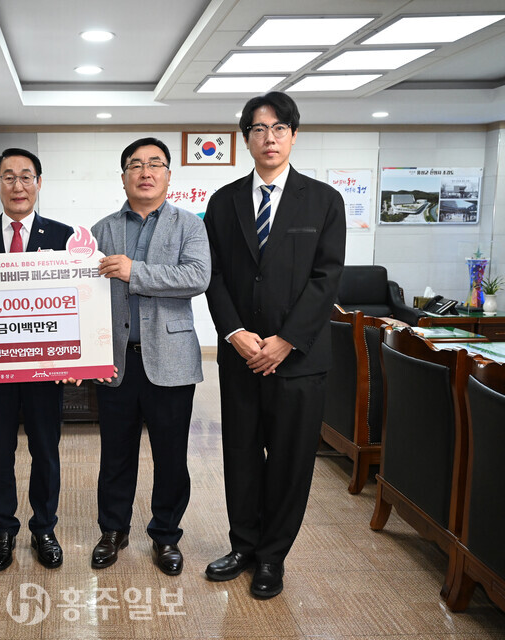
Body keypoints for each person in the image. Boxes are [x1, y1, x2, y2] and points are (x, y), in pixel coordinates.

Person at [203, 92, 346, 598]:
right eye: (259, 129)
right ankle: (243, 545)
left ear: (293, 136)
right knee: (241, 455)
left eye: (279, 128)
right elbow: (213, 275)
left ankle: (272, 557)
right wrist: (234, 332)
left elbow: (326, 278)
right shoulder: (223, 202)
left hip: (299, 361)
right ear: (246, 138)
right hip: (241, 356)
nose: (270, 138)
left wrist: (286, 340)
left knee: (289, 461)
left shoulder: (324, 200)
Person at [89, 137, 211, 576]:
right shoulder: (101, 230)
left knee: (171, 456)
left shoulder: (189, 225)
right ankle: (113, 530)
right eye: (136, 165)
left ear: (168, 176)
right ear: (123, 176)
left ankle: (166, 535)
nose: (145, 172)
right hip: (116, 360)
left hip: (172, 359)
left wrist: (133, 271)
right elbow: (82, 289)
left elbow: (197, 277)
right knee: (115, 454)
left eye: (155, 163)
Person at [0, 148, 74, 572]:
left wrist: (76, 359)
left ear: (39, 183)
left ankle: (44, 527)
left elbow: (74, 300)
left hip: (45, 369)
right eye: (8, 177)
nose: (18, 185)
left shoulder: (63, 236)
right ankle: (3, 530)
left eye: (26, 176)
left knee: (46, 451)